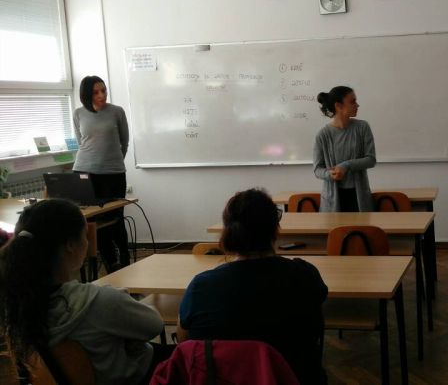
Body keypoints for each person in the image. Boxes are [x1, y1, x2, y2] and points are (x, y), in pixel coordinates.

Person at [0, 199, 168, 385]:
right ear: (70, 245)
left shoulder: (16, 303)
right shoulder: (99, 301)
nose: (87, 242)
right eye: (85, 235)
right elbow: (155, 325)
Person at [177, 189, 328, 384]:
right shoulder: (305, 275)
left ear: (228, 232)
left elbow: (185, 342)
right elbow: (316, 322)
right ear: (275, 230)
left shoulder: (201, 286)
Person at [72, 75, 130, 272]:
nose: (101, 95)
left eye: (103, 90)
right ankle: (110, 262)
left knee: (116, 218)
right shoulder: (78, 113)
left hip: (113, 174)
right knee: (93, 220)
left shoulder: (117, 112)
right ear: (86, 94)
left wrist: (113, 163)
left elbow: (124, 142)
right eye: (96, 92)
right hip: (84, 172)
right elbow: (81, 142)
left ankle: (125, 260)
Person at [313, 86, 376, 212]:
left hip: (359, 198)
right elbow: (317, 169)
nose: (357, 105)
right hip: (332, 201)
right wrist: (330, 174)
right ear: (338, 106)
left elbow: (371, 160)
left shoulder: (362, 127)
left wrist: (346, 165)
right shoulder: (323, 135)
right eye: (352, 102)